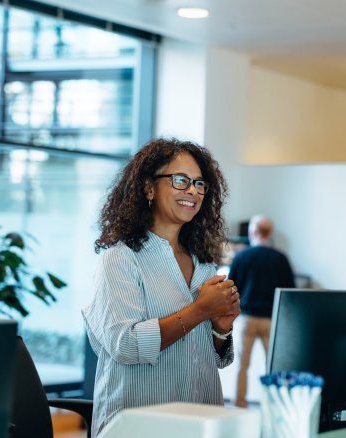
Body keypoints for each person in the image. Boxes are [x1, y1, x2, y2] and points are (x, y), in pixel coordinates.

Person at [83, 138, 240, 437]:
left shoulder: (203, 263)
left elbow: (208, 357)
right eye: (180, 180)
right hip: (138, 426)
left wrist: (221, 329)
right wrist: (200, 310)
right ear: (148, 188)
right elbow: (125, 345)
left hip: (200, 421)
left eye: (199, 184)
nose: (193, 191)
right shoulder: (120, 258)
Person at [228, 215, 296, 407]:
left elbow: (232, 288)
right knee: (272, 365)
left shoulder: (242, 256)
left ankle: (240, 403)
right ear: (270, 233)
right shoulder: (281, 259)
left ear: (253, 232)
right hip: (271, 320)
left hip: (247, 319)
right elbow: (289, 291)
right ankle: (272, 403)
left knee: (243, 365)